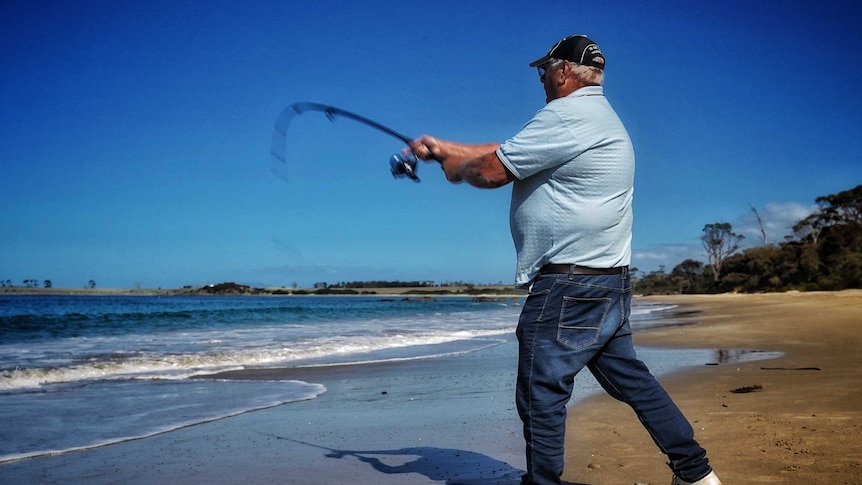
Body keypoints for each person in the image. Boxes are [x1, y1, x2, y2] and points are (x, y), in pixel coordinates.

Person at [407, 35, 722, 485]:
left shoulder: (566, 115)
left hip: (568, 287)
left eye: (543, 70)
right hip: (607, 282)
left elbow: (494, 169)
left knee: (540, 392)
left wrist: (459, 171)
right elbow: (511, 148)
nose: (540, 79)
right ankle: (696, 474)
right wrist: (446, 148)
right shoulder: (595, 117)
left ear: (562, 71)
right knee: (632, 380)